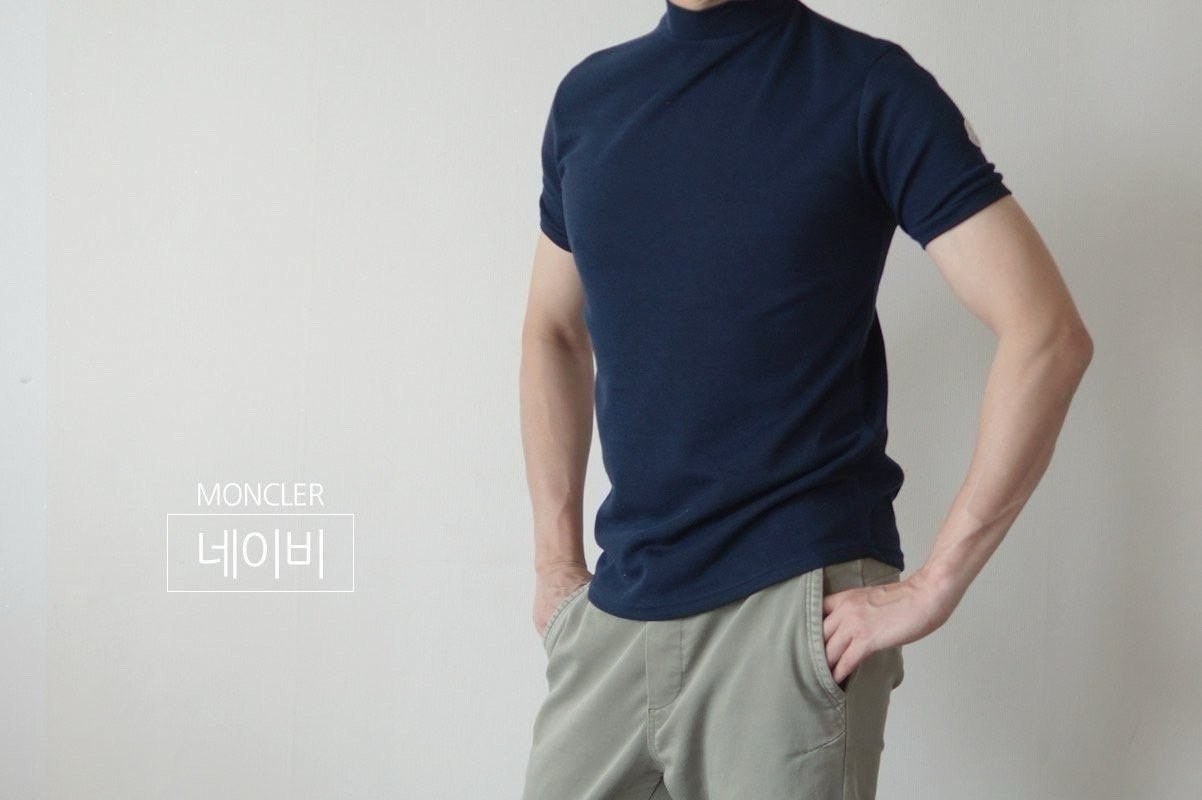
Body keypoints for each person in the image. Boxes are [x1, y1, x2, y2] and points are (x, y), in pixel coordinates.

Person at [517, 1, 1093, 797]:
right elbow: (551, 331)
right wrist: (555, 561)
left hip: (791, 612)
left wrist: (936, 583)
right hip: (617, 610)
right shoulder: (589, 101)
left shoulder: (867, 87)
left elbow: (1046, 334)